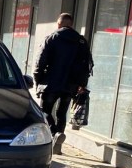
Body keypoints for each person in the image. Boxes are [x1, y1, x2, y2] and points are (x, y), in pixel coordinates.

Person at [33, 13, 93, 154]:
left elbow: (40, 62)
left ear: (58, 24)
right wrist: (81, 85)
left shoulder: (52, 38)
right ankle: (57, 145)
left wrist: (38, 80)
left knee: (44, 111)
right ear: (71, 24)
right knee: (62, 113)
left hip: (51, 83)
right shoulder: (81, 41)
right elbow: (87, 66)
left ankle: (54, 133)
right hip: (70, 85)